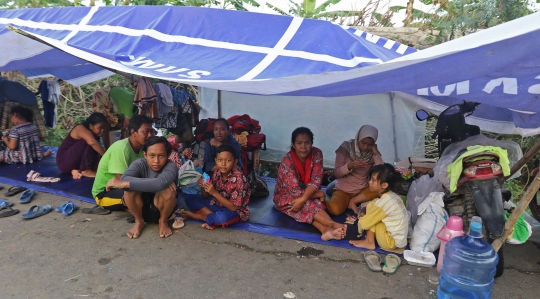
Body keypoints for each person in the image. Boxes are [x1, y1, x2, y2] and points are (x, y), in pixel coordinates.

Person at [273, 127, 345, 241]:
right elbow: (294, 191)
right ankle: (331, 224)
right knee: (308, 203)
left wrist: (305, 198)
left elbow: (316, 180)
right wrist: (315, 195)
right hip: (286, 196)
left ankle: (326, 231)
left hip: (308, 193)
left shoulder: (317, 154)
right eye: (299, 143)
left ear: (312, 143)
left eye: (307, 142)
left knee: (311, 203)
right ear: (293, 144)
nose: (303, 147)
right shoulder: (287, 160)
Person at [105, 136, 178, 239]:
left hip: (162, 208)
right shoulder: (139, 164)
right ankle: (139, 221)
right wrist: (157, 182)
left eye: (161, 156)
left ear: (168, 155)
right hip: (141, 207)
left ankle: (163, 221)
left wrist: (128, 183)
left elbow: (159, 184)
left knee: (169, 190)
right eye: (151, 155)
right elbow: (125, 178)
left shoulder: (171, 166)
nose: (156, 160)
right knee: (128, 191)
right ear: (145, 154)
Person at [91, 115, 155, 210]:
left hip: (127, 185)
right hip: (105, 193)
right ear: (133, 132)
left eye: (151, 131)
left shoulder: (143, 147)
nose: (150, 135)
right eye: (146, 132)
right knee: (136, 193)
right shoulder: (121, 149)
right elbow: (122, 182)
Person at [181, 144, 250, 230]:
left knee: (222, 218)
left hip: (234, 211)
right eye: (220, 160)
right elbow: (206, 196)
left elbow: (234, 207)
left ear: (235, 162)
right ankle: (211, 217)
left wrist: (214, 192)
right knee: (190, 198)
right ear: (216, 161)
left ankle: (200, 217)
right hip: (217, 204)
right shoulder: (217, 173)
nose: (223, 164)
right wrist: (203, 187)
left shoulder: (239, 179)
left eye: (228, 160)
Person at [345, 163, 408, 251]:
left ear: (384, 185)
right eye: (370, 179)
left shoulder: (384, 203)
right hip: (399, 239)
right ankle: (369, 239)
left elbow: (365, 224)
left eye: (373, 180)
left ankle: (369, 242)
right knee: (372, 205)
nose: (369, 182)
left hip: (390, 242)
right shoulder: (392, 196)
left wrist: (358, 224)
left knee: (374, 218)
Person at [325, 125, 383, 216]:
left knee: (381, 188)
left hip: (362, 189)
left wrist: (376, 153)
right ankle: (323, 197)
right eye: (363, 143)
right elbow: (337, 173)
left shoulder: (373, 153)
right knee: (335, 209)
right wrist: (349, 166)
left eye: (369, 145)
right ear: (358, 138)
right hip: (344, 189)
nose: (365, 147)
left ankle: (353, 201)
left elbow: (381, 173)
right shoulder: (345, 148)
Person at [56, 112, 108, 179]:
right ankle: (85, 170)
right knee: (91, 141)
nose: (103, 130)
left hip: (72, 164)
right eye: (100, 128)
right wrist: (108, 157)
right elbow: (92, 142)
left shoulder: (95, 135)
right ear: (90, 126)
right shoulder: (80, 128)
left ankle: (76, 170)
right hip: (63, 161)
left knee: (97, 147)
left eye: (104, 128)